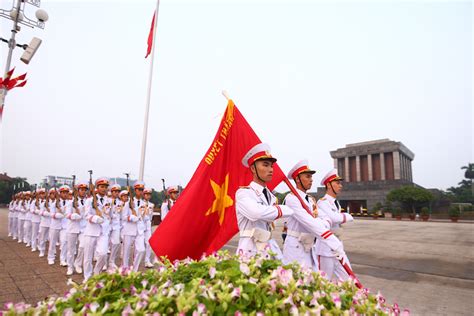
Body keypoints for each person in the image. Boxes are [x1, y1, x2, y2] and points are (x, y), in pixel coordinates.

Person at [283, 160, 345, 271]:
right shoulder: (291, 199)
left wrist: (320, 222)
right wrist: (332, 241)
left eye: (311, 177)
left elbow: (327, 218)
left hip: (309, 245)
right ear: (297, 179)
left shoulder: (311, 200)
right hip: (295, 246)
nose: (311, 180)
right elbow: (309, 222)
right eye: (307, 176)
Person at [235, 143, 294, 258]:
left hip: (270, 247)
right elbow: (256, 213)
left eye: (271, 166)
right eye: (265, 165)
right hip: (250, 251)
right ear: (253, 168)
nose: (271, 170)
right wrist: (282, 209)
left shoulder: (271, 197)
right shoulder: (244, 193)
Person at [314, 169, 355, 281]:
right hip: (325, 249)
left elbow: (336, 219)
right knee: (323, 281)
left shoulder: (334, 202)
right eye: (337, 183)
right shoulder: (322, 202)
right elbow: (333, 218)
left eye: (340, 183)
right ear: (328, 185)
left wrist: (340, 217)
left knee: (348, 279)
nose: (340, 186)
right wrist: (347, 216)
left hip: (337, 246)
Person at [82, 177, 109, 282]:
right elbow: (86, 215)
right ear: (97, 188)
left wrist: (107, 223)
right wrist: (95, 218)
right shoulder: (89, 201)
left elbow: (110, 215)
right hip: (91, 231)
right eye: (102, 187)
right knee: (88, 257)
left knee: (103, 254)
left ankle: (97, 273)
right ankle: (87, 277)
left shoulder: (109, 201)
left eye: (105, 187)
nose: (104, 189)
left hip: (103, 232)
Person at [120, 189, 145, 271]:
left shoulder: (143, 203)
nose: (140, 192)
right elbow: (123, 217)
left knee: (141, 250)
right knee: (126, 252)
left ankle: (135, 269)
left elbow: (143, 216)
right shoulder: (127, 203)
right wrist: (130, 217)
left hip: (139, 230)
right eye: (139, 190)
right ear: (135, 191)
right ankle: (125, 269)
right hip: (129, 229)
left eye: (142, 190)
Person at [108, 184, 122, 270]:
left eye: (118, 192)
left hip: (116, 225)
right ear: (111, 192)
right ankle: (102, 260)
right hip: (107, 224)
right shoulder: (107, 200)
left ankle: (111, 261)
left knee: (116, 243)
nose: (116, 193)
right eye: (115, 192)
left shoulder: (120, 203)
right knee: (105, 244)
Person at [143, 188, 155, 268]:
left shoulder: (151, 205)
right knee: (138, 245)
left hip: (148, 224)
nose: (148, 196)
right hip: (140, 224)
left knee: (148, 243)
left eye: (149, 194)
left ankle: (147, 260)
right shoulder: (139, 203)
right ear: (143, 195)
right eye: (146, 194)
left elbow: (151, 216)